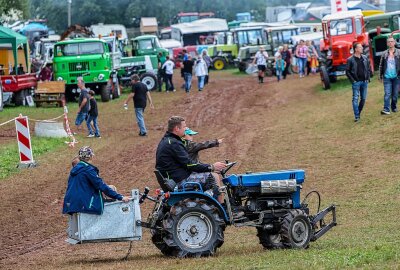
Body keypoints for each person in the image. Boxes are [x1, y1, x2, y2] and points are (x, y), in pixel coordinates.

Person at [155, 116, 227, 202]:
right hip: (179, 180)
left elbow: (187, 164)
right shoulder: (174, 143)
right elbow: (190, 164)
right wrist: (211, 167)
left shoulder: (166, 141)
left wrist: (208, 167)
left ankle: (209, 202)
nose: (186, 129)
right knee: (213, 177)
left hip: (173, 178)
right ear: (177, 128)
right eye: (184, 126)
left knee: (208, 174)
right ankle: (219, 206)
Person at [62, 146, 130, 215]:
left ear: (79, 157)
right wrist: (120, 197)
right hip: (83, 204)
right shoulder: (88, 169)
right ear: (91, 156)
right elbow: (100, 185)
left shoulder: (74, 170)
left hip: (70, 204)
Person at [345, 42, 372, 122]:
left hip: (364, 82)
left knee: (363, 99)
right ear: (356, 49)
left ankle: (358, 113)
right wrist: (353, 81)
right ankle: (357, 117)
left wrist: (368, 78)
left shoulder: (365, 57)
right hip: (356, 82)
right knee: (355, 99)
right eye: (360, 47)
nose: (362, 48)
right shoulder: (350, 60)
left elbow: (368, 68)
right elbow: (347, 72)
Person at [378, 36, 400, 115]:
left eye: (392, 41)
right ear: (387, 44)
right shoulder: (384, 53)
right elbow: (381, 65)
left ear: (394, 42)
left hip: (396, 77)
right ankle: (386, 109)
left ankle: (393, 107)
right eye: (389, 42)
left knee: (395, 95)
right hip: (387, 77)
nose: (390, 43)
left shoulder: (399, 52)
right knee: (387, 93)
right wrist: (380, 76)